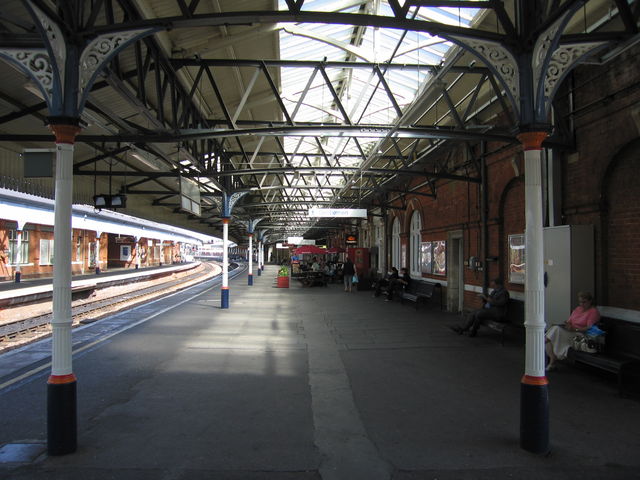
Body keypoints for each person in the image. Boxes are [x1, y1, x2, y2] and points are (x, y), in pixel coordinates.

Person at [545, 291, 600, 371]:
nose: (582, 304)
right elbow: (569, 321)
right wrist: (565, 325)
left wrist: (575, 329)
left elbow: (589, 328)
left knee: (553, 333)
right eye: (580, 302)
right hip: (571, 332)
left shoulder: (593, 312)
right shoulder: (578, 309)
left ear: (590, 301)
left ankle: (546, 348)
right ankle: (552, 361)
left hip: (582, 337)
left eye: (584, 302)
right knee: (555, 330)